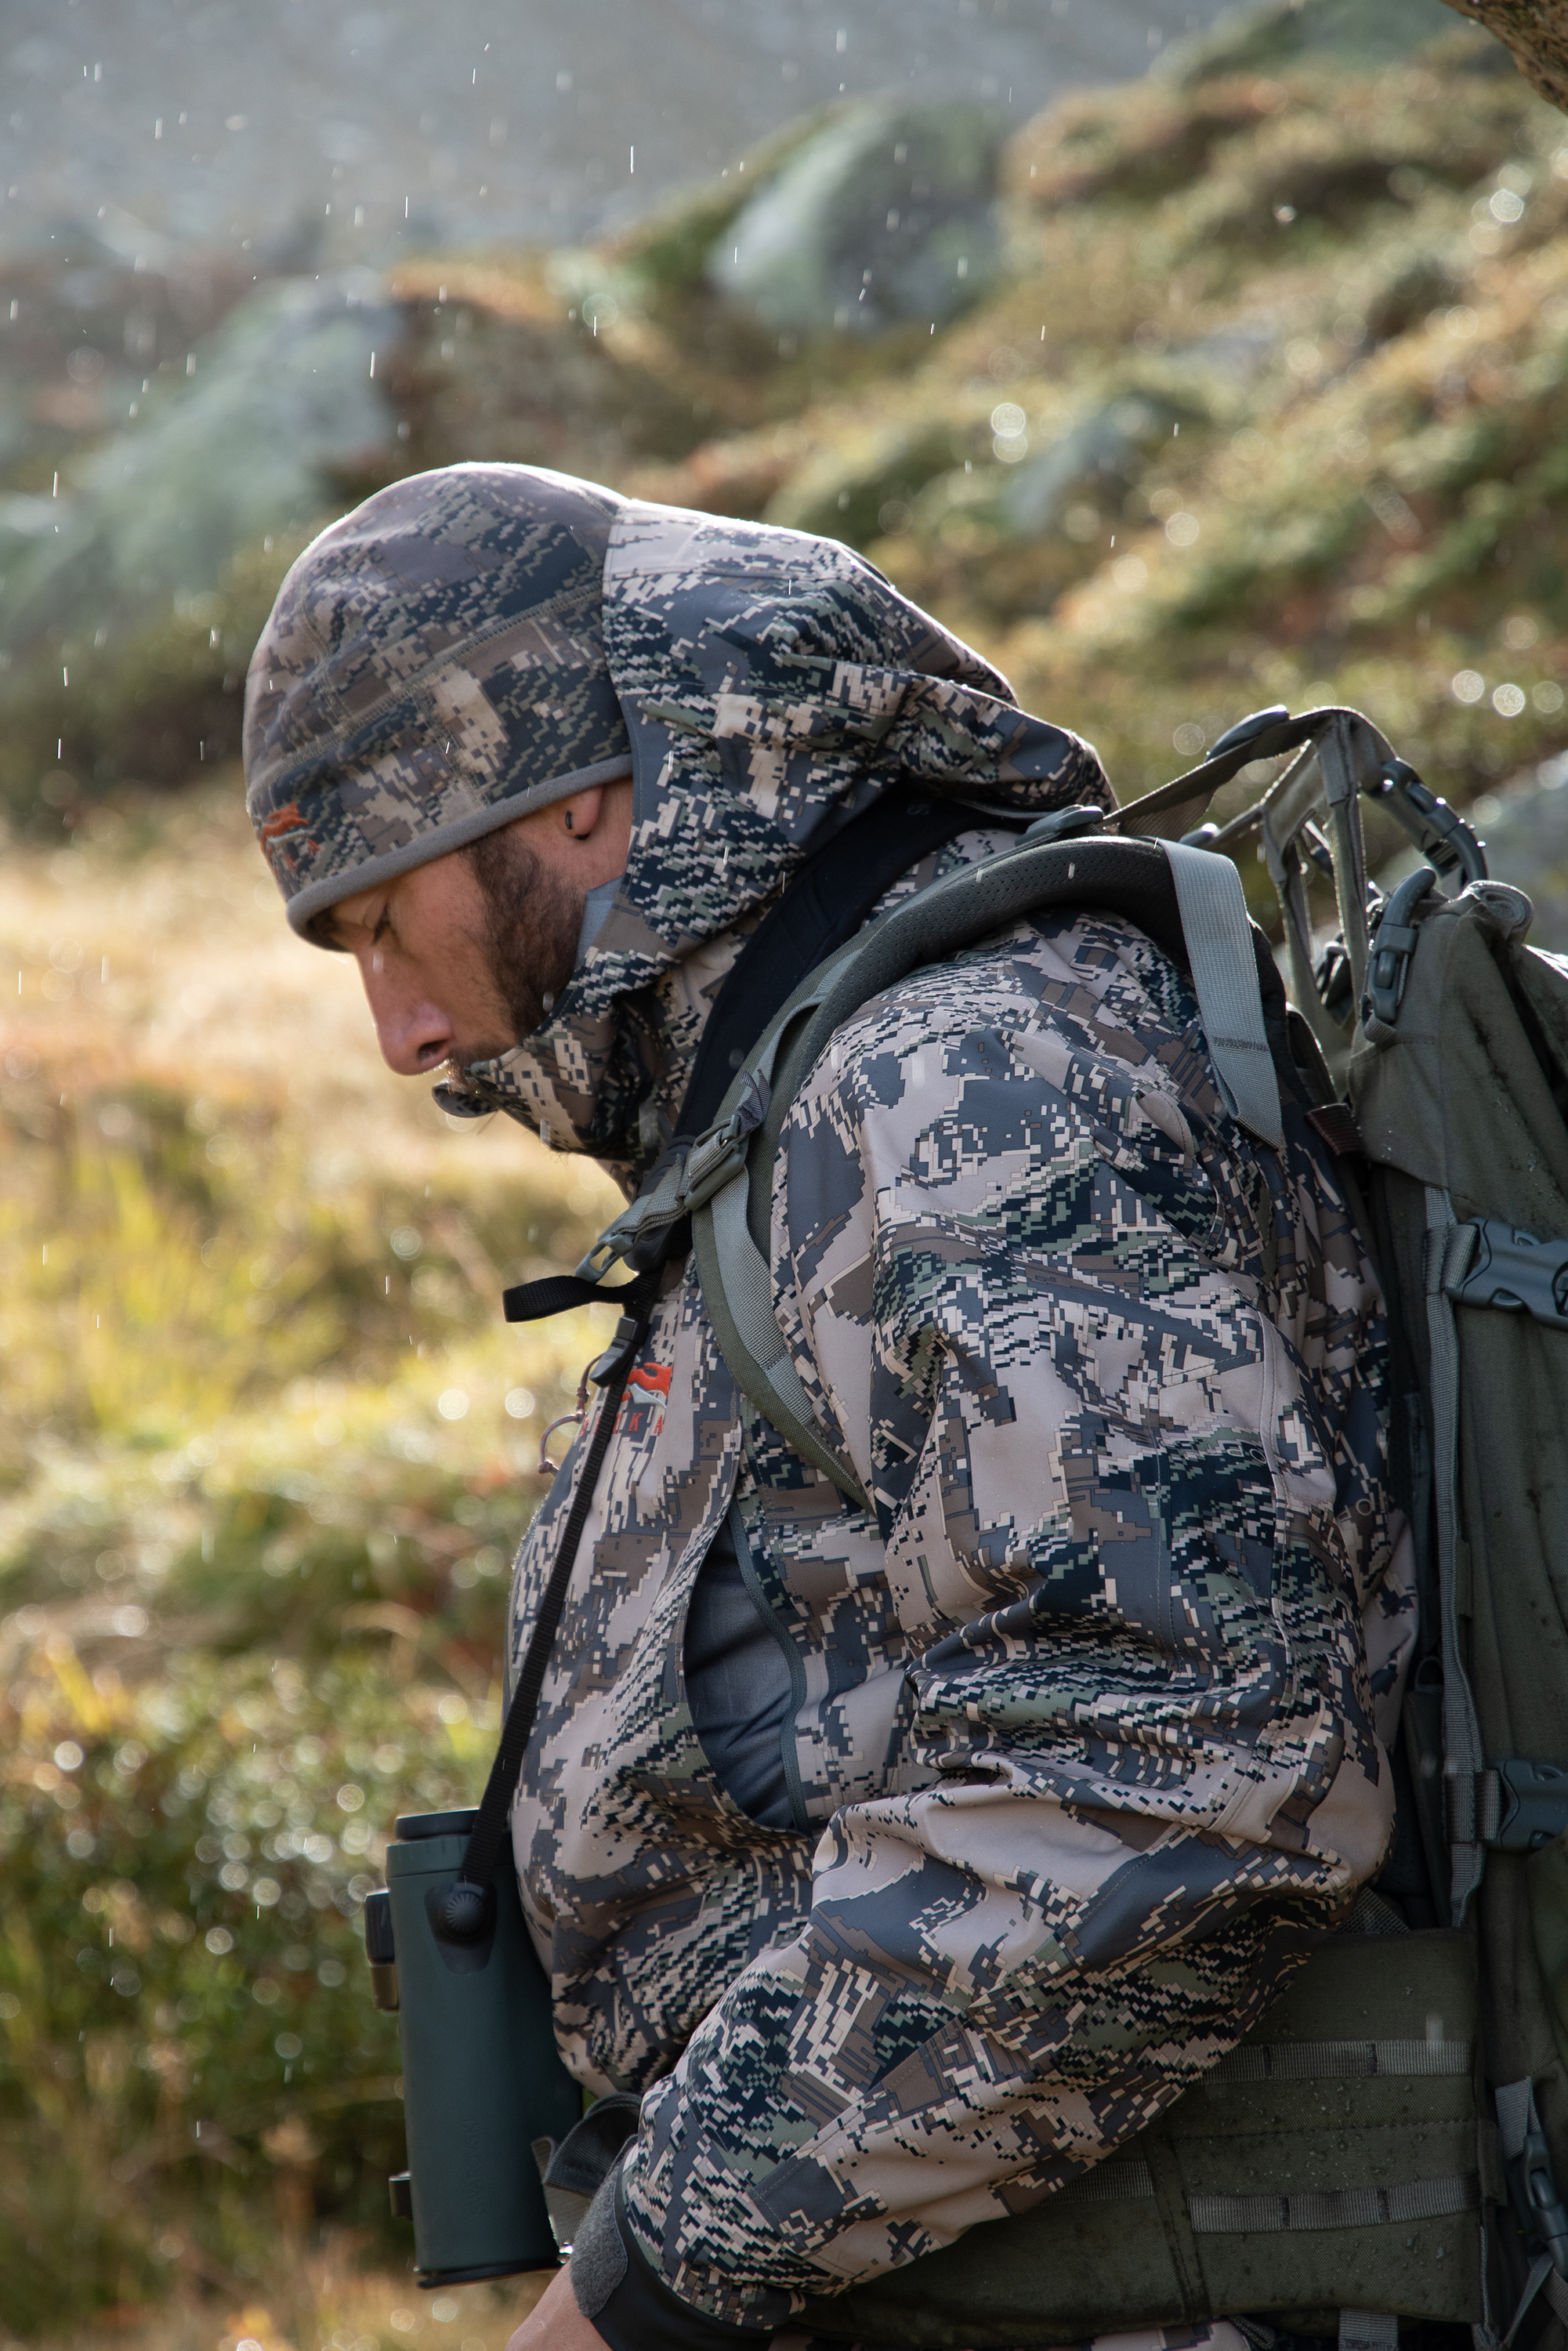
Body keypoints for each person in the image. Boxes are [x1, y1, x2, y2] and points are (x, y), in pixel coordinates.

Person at [243, 462, 1410, 2351]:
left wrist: (649, 2283)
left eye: (385, 921)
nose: (402, 1036)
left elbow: (1182, 1756)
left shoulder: (965, 1078)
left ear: (584, 801)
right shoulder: (801, 1098)